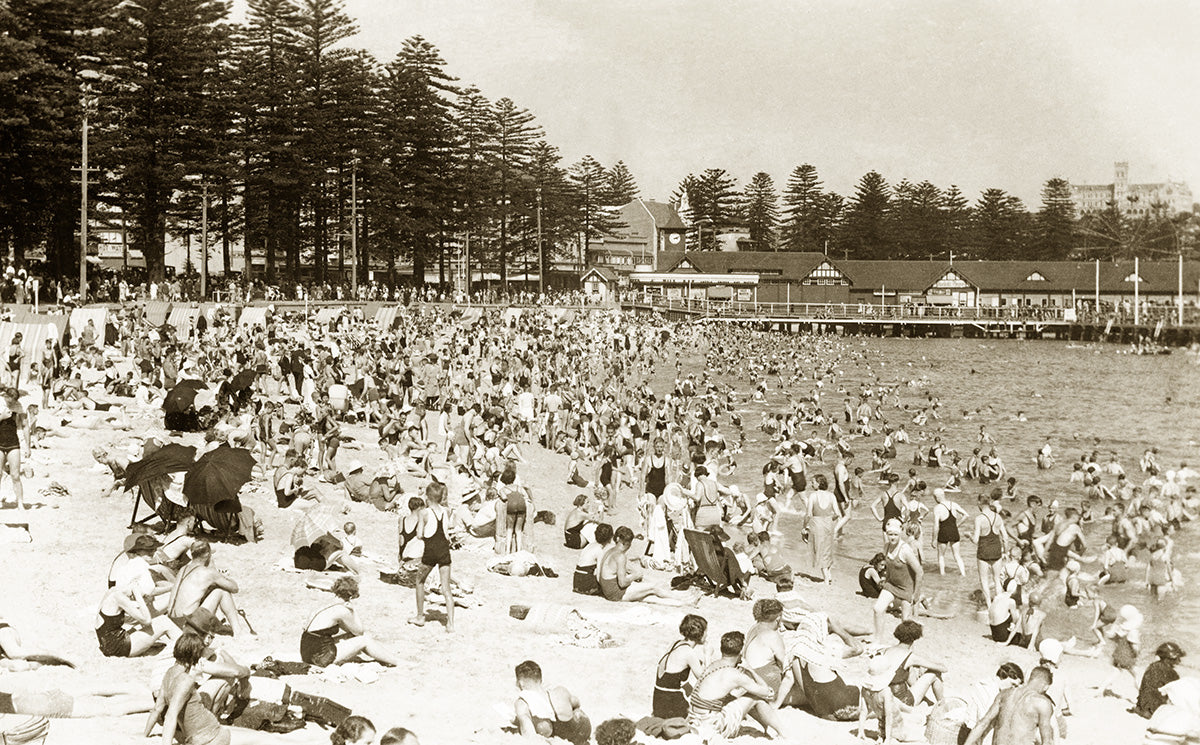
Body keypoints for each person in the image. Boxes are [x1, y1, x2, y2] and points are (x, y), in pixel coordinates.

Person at [687, 631, 788, 740]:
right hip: (712, 726)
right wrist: (750, 669)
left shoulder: (714, 665)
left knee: (736, 696)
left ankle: (766, 727)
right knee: (755, 697)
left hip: (694, 720)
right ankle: (783, 733)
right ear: (740, 652)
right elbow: (767, 692)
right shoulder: (734, 674)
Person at [860, 620, 945, 742]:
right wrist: (925, 666)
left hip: (882, 698)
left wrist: (917, 666)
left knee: (907, 669)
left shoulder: (885, 650)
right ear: (915, 638)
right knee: (934, 674)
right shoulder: (910, 656)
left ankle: (928, 701)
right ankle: (943, 706)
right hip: (902, 700)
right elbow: (943, 668)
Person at [300, 577, 401, 667]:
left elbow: (350, 631)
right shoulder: (342, 610)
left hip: (306, 652)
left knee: (350, 636)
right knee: (364, 639)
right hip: (320, 657)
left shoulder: (326, 604)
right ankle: (396, 661)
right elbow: (359, 632)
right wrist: (353, 611)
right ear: (351, 597)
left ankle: (384, 657)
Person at [165, 541, 251, 636]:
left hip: (172, 620)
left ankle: (226, 628)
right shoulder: (209, 573)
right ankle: (237, 631)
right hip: (188, 623)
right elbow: (235, 589)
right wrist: (219, 573)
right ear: (207, 555)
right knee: (221, 591)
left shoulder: (183, 569)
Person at [962, 665, 1056, 745]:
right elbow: (1047, 740)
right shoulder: (1043, 703)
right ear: (1046, 686)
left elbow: (983, 723)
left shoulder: (1005, 694)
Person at [597, 526, 691, 605]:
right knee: (654, 587)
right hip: (616, 594)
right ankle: (682, 600)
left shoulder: (610, 551)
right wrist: (635, 576)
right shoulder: (620, 556)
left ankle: (680, 601)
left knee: (649, 596)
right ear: (629, 543)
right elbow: (622, 583)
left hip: (608, 591)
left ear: (617, 539)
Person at [513, 660, 591, 745]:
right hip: (580, 730)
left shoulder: (522, 702)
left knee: (535, 723)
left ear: (520, 683)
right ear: (540, 680)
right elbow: (577, 703)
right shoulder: (560, 692)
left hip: (550, 734)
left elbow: (528, 734)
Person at [411, 480, 454, 632]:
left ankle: (420, 616)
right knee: (446, 588)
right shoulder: (446, 511)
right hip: (444, 550)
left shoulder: (424, 513)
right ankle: (450, 624)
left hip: (431, 551)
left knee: (420, 581)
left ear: (428, 497)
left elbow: (419, 534)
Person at [873, 518, 923, 640]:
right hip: (891, 585)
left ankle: (907, 647)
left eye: (895, 534)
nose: (893, 537)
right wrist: (885, 580)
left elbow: (919, 572)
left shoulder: (905, 550)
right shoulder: (886, 547)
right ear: (886, 534)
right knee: (877, 608)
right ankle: (878, 640)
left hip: (906, 588)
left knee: (905, 622)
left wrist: (916, 594)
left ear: (900, 533)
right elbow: (888, 567)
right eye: (890, 534)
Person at [652, 614, 707, 720]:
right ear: (700, 633)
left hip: (658, 702)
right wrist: (707, 656)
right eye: (706, 631)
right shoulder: (689, 652)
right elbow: (705, 680)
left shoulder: (676, 643)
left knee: (688, 687)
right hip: (670, 706)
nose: (707, 635)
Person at [741, 599, 789, 701]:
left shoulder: (754, 628)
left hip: (750, 678)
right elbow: (785, 663)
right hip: (765, 680)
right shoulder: (772, 635)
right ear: (778, 618)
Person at [804, 474, 843, 584]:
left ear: (818, 483)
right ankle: (829, 575)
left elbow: (808, 514)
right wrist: (829, 519)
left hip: (817, 524)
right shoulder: (831, 496)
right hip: (829, 524)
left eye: (813, 482)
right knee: (827, 550)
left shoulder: (813, 496)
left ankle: (826, 577)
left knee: (819, 550)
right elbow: (837, 514)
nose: (812, 484)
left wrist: (804, 527)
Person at [973, 494, 1009, 606]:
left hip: (984, 551)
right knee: (997, 579)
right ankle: (999, 605)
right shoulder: (998, 517)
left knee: (984, 580)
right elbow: (1005, 537)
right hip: (996, 550)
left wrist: (968, 535)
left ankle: (989, 606)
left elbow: (975, 540)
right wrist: (1006, 552)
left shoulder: (979, 519)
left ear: (979, 503)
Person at [1135, 642, 1185, 718]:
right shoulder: (1171, 673)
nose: (1179, 661)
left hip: (1142, 707)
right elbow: (1177, 693)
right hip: (1154, 711)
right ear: (1169, 658)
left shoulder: (1153, 666)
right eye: (1176, 659)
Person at [932, 487, 968, 576]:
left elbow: (936, 525)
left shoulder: (937, 508)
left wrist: (933, 539)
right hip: (954, 531)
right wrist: (957, 525)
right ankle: (963, 574)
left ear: (937, 497)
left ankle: (942, 574)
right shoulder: (954, 504)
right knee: (957, 555)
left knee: (941, 555)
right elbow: (966, 515)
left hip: (943, 532)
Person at [0, 390, 25, 510]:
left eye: (14, 401)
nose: (12, 403)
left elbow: (25, 425)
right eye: (10, 400)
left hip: (13, 442)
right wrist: (2, 417)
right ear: (6, 396)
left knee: (15, 475)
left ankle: (20, 502)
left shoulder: (18, 406)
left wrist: (29, 446)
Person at [573, 522, 611, 596]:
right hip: (586, 582)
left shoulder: (589, 545)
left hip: (576, 580)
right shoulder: (600, 550)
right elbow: (599, 574)